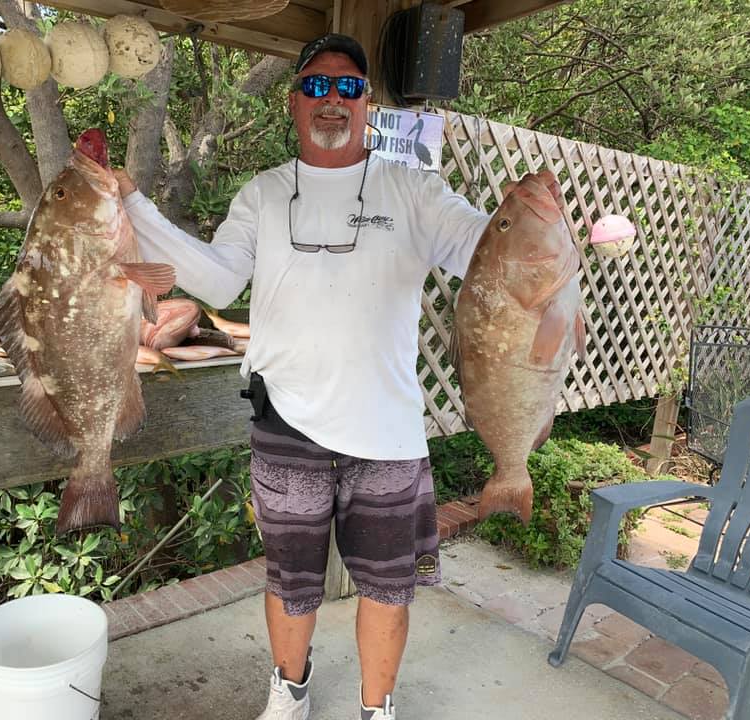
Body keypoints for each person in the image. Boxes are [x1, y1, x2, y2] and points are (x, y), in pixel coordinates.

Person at [116, 31, 557, 720]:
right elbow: (215, 275)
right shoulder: (263, 194)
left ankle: (375, 708)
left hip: (386, 430)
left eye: (347, 87)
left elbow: (487, 252)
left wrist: (525, 221)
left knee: (388, 588)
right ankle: (289, 692)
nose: (331, 100)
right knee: (291, 582)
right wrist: (132, 206)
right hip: (285, 422)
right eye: (316, 86)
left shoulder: (413, 189)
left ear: (368, 104)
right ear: (293, 102)